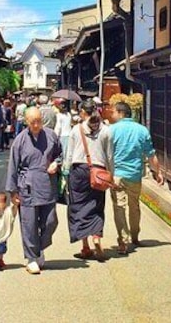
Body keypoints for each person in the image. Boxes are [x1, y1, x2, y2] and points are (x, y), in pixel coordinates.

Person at [5, 106, 62, 274]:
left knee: (50, 221)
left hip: (47, 183)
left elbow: (60, 154)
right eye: (33, 122)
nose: (37, 125)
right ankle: (31, 257)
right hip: (27, 186)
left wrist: (56, 163)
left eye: (39, 121)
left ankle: (40, 248)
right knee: (29, 224)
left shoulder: (51, 136)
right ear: (27, 122)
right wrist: (13, 192)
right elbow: (12, 167)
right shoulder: (20, 140)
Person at [109, 101, 164, 254]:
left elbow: (106, 153)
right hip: (135, 174)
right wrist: (158, 172)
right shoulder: (142, 130)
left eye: (113, 112)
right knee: (134, 206)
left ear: (120, 113)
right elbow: (151, 154)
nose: (111, 114)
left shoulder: (111, 130)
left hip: (117, 174)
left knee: (119, 207)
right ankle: (135, 235)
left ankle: (123, 240)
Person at [64, 100, 113, 261]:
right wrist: (111, 174)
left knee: (78, 206)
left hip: (79, 170)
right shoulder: (106, 130)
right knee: (97, 204)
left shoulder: (76, 130)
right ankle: (97, 237)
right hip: (99, 171)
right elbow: (110, 155)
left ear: (83, 112)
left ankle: (85, 246)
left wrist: (65, 172)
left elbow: (69, 154)